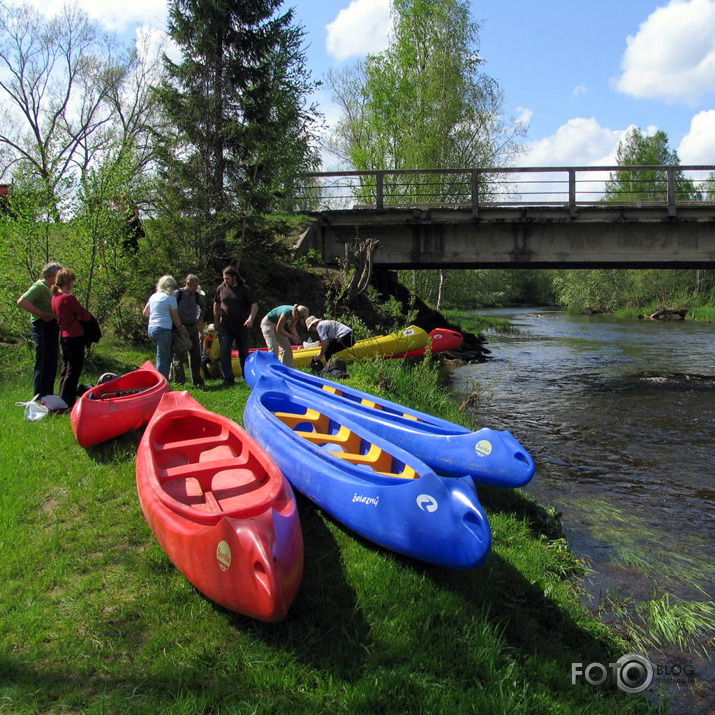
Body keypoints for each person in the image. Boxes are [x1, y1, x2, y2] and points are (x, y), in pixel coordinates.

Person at [17, 261, 63, 398]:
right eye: (59, 275)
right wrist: (42, 315)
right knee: (44, 361)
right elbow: (22, 301)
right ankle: (39, 395)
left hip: (51, 326)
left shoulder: (51, 288)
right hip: (42, 326)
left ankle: (48, 394)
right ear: (52, 275)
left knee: (51, 360)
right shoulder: (39, 286)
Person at [50, 268, 92, 408]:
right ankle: (68, 403)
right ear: (68, 282)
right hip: (75, 336)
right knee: (73, 370)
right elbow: (85, 315)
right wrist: (79, 316)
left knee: (65, 369)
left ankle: (62, 398)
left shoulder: (55, 298)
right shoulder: (68, 298)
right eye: (72, 282)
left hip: (63, 336)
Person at [213, 266, 257, 384]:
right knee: (225, 352)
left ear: (234, 277)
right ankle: (228, 378)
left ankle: (246, 375)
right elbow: (216, 304)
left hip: (241, 326)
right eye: (224, 278)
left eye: (227, 278)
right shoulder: (221, 288)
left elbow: (254, 305)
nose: (225, 281)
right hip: (225, 326)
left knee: (243, 352)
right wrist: (216, 319)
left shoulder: (244, 289)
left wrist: (251, 319)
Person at [143, 275, 182, 379]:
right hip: (163, 329)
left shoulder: (154, 296)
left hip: (152, 328)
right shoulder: (170, 298)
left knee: (166, 355)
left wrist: (156, 315)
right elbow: (175, 316)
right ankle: (161, 382)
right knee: (163, 358)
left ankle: (161, 378)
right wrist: (180, 328)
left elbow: (146, 313)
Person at [172, 274, 206, 386]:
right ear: (188, 284)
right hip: (181, 328)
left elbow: (203, 306)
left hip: (193, 327)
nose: (196, 288)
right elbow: (171, 309)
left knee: (196, 355)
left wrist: (199, 318)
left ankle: (196, 380)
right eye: (195, 286)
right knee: (179, 355)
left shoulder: (196, 295)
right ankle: (179, 381)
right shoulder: (178, 294)